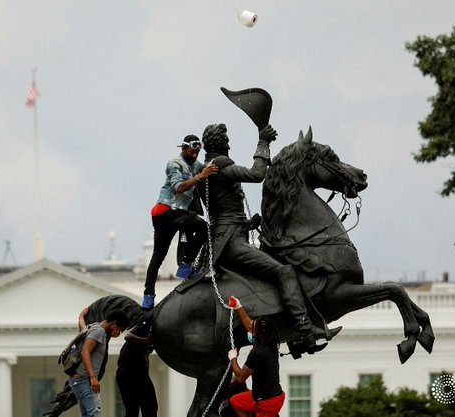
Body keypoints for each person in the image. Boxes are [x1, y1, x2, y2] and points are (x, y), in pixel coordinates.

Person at [200, 123, 339, 355]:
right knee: (283, 272)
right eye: (226, 140)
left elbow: (222, 211)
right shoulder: (220, 166)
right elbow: (256, 174)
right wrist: (263, 142)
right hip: (232, 243)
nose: (229, 144)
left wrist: (247, 224)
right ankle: (304, 331)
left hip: (232, 234)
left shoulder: (207, 168)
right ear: (221, 143)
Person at [142, 134, 218, 310]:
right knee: (204, 228)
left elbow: (207, 167)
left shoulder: (195, 164)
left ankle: (148, 297)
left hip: (175, 214)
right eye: (192, 151)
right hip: (166, 211)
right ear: (183, 149)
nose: (194, 155)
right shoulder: (174, 164)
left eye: (197, 152)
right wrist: (201, 177)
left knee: (158, 256)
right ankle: (185, 265)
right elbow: (179, 187)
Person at [227, 296, 285, 417]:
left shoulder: (257, 353)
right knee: (235, 401)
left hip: (267, 403)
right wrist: (238, 306)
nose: (249, 331)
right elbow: (249, 324)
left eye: (252, 330)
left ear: (259, 334)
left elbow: (240, 378)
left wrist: (233, 358)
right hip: (274, 395)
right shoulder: (271, 343)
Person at [69, 308, 130, 417]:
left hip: (78, 381)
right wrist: (93, 377)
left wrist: (81, 317)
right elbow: (85, 352)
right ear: (114, 323)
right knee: (94, 414)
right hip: (84, 380)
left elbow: (82, 329)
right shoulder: (99, 331)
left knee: (87, 414)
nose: (119, 333)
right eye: (119, 329)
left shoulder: (93, 327)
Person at [115, 322, 158, 417]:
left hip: (132, 372)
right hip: (131, 371)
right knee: (142, 407)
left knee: (139, 408)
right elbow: (128, 336)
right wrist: (147, 341)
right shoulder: (146, 326)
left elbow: (146, 355)